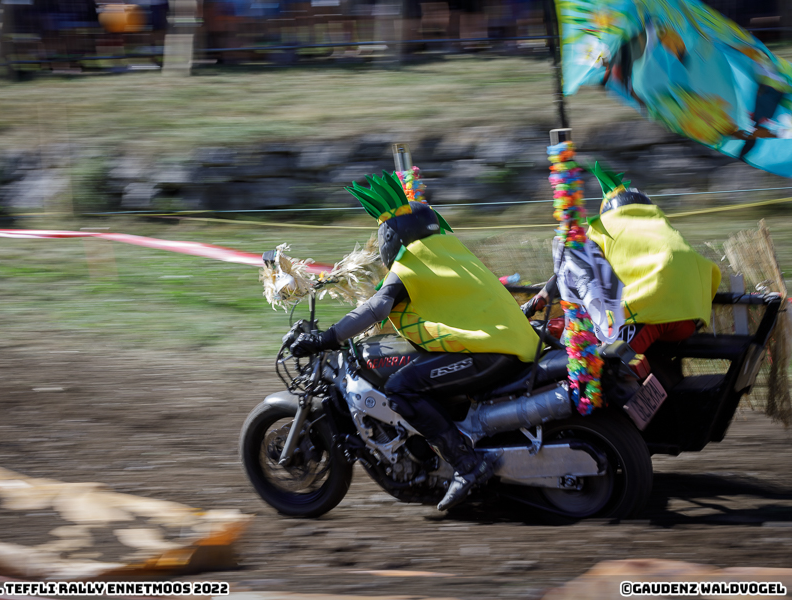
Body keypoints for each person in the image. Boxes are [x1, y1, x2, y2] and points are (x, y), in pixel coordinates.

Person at [291, 171, 540, 511]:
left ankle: (468, 465)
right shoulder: (451, 253)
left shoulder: (413, 262)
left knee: (402, 387)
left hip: (489, 350)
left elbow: (376, 307)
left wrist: (327, 337)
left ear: (391, 237)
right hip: (511, 344)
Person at [526, 163, 721, 355]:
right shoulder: (661, 226)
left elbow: (574, 267)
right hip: (689, 319)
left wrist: (533, 304)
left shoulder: (607, 226)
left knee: (613, 367)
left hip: (651, 312)